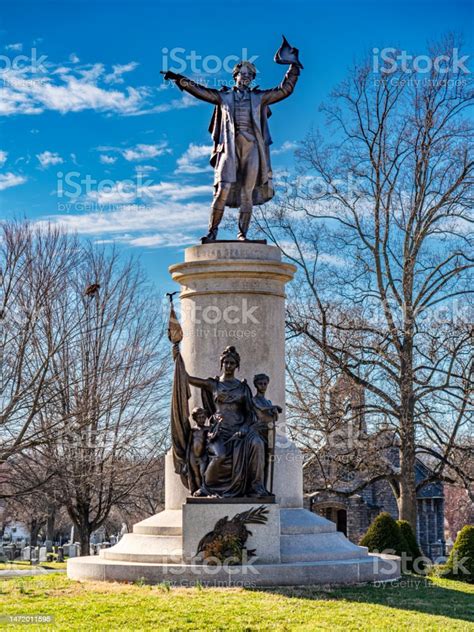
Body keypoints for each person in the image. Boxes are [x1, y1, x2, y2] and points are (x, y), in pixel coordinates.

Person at [162, 59, 300, 241]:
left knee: (247, 192)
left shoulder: (259, 97)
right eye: (243, 73)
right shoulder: (223, 96)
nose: (246, 77)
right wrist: (180, 79)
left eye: (250, 75)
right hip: (229, 148)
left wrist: (294, 67)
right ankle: (212, 232)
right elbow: (200, 91)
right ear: (235, 75)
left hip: (252, 147)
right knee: (222, 189)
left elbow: (284, 90)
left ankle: (242, 234)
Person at [185, 346, 269, 497]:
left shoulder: (243, 388)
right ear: (222, 364)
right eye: (226, 363)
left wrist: (244, 428)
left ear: (237, 366)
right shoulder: (214, 384)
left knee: (257, 443)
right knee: (220, 456)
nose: (229, 366)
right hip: (220, 431)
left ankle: (256, 486)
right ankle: (207, 487)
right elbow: (189, 379)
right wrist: (177, 357)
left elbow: (250, 413)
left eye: (232, 363)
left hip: (240, 431)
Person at [186, 407, 209, 494]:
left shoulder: (208, 429)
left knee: (203, 472)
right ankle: (198, 489)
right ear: (195, 418)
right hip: (193, 454)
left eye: (203, 417)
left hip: (203, 455)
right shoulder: (193, 430)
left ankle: (204, 489)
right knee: (196, 473)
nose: (201, 419)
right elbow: (189, 443)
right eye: (199, 417)